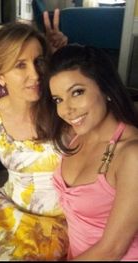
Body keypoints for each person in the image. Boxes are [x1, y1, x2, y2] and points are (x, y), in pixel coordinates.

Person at [0, 22, 69, 261]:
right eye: (20, 65)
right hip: (7, 209)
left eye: (39, 61)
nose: (35, 74)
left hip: (55, 220)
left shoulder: (63, 107)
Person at [38, 44, 138, 260]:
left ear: (106, 88)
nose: (66, 109)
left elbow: (112, 250)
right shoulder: (76, 133)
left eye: (77, 92)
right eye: (58, 99)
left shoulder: (132, 156)